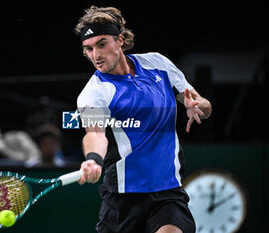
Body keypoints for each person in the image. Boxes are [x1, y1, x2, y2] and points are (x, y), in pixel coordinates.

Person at [74, 6, 212, 233]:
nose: (95, 55)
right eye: (88, 48)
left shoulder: (158, 64)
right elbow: (95, 133)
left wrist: (197, 105)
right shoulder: (93, 94)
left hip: (168, 192)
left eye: (102, 44)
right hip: (122, 198)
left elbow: (203, 106)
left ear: (120, 40)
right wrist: (92, 159)